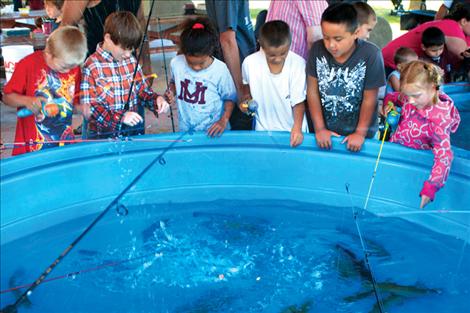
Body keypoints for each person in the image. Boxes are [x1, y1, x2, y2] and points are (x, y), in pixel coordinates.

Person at [306, 2, 385, 152]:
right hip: (325, 134)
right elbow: (312, 91)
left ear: (355, 33)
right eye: (326, 37)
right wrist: (320, 128)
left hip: (362, 136)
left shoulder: (371, 55)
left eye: (338, 39)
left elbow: (370, 98)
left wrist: (360, 133)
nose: (331, 45)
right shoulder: (317, 49)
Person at [383, 61, 460, 209]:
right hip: (395, 155)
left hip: (414, 166)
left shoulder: (439, 120)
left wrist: (430, 187)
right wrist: (388, 104)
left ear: (433, 88)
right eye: (408, 95)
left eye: (415, 96)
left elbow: (444, 156)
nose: (410, 101)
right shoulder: (410, 98)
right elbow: (395, 97)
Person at [80, 11, 169, 139]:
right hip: (102, 136)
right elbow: (90, 108)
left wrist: (156, 100)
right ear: (108, 39)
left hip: (131, 133)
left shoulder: (131, 61)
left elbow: (142, 92)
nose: (128, 54)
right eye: (124, 48)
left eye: (131, 49)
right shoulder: (91, 66)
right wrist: (121, 117)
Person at [2, 26, 87, 156]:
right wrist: (27, 100)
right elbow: (7, 97)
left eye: (73, 67)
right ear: (48, 54)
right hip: (32, 147)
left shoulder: (73, 68)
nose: (68, 71)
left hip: (63, 145)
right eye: (64, 66)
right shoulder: (28, 65)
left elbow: (71, 104)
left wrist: (81, 108)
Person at [240, 20, 307, 147]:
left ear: (290, 43)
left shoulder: (298, 64)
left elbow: (298, 102)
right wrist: (245, 104)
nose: (278, 58)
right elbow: (246, 94)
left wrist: (297, 129)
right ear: (261, 45)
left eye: (283, 53)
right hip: (263, 132)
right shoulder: (249, 63)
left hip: (293, 132)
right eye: (271, 55)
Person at [165, 18, 236, 136]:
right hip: (187, 130)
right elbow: (173, 82)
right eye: (191, 63)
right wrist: (171, 92)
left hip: (215, 131)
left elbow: (230, 97)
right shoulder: (176, 63)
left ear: (210, 52)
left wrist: (224, 120)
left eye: (201, 63)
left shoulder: (220, 70)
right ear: (184, 52)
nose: (196, 67)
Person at [205, 0, 257, 130]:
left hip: (241, 68)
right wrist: (239, 91)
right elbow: (227, 39)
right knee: (242, 131)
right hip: (236, 72)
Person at [382, 2, 470, 76]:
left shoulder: (462, 32)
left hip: (408, 69)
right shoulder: (452, 26)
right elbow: (464, 55)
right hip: (392, 67)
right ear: (463, 21)